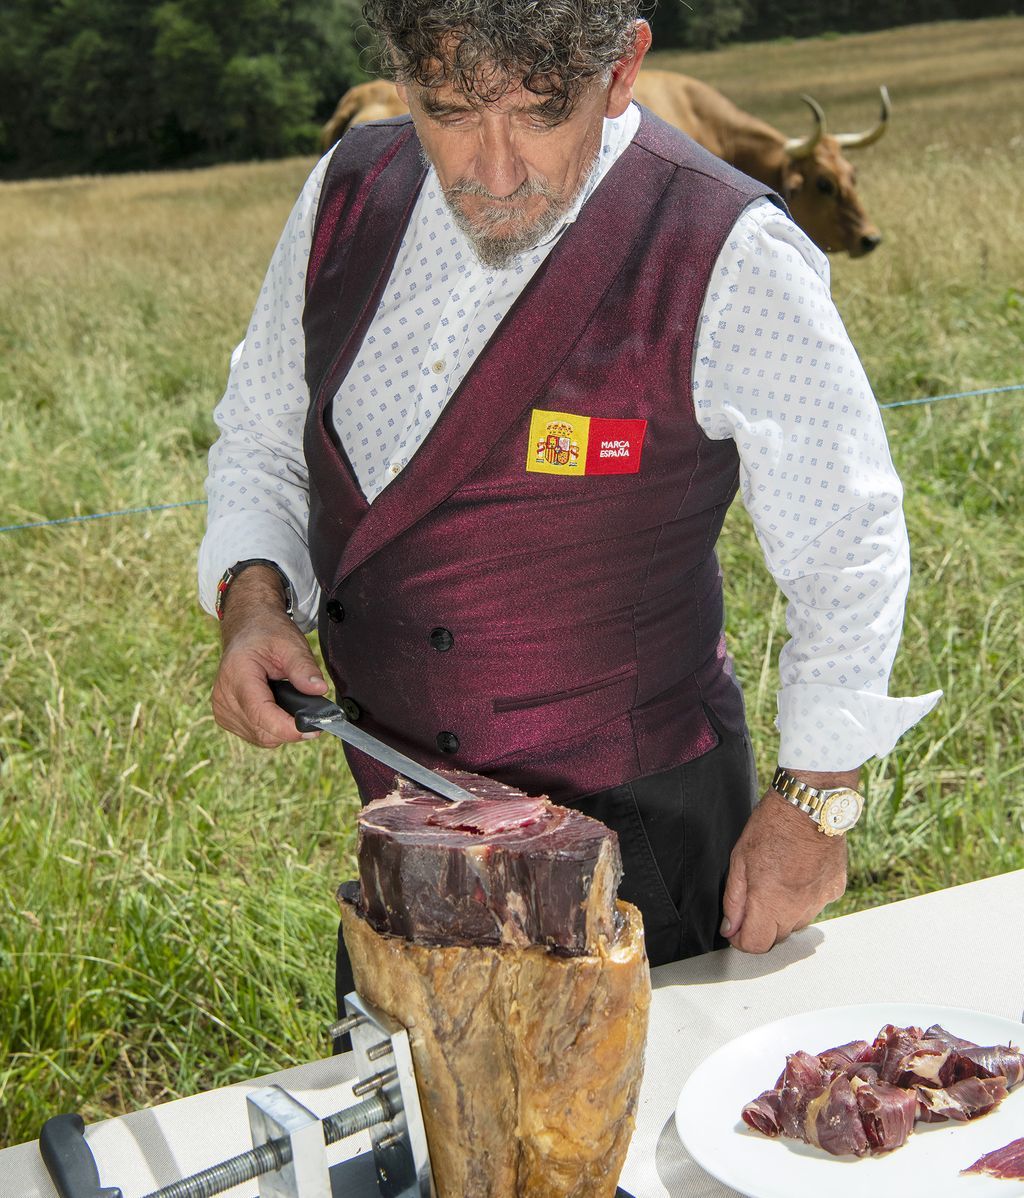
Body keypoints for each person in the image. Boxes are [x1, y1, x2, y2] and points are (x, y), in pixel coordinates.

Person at [198, 0, 940, 1002]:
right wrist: (251, 600)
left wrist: (816, 801)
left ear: (623, 68)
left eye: (542, 114)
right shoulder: (344, 191)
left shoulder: (727, 247)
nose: (491, 170)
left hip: (646, 857)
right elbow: (262, 430)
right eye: (450, 109)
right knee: (419, 1146)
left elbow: (847, 538)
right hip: (405, 843)